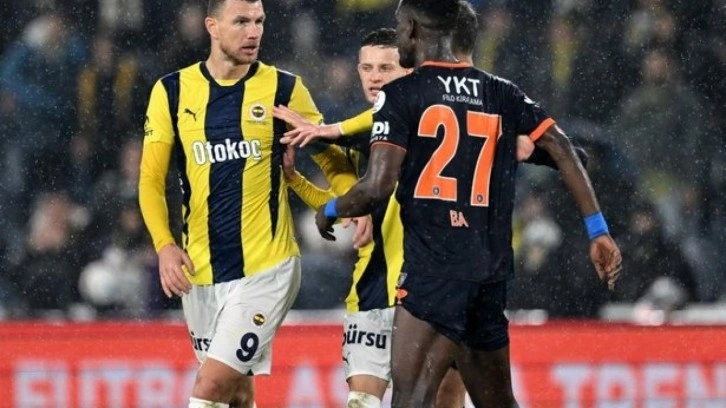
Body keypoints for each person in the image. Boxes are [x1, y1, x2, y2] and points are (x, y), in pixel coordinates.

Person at [312, 0, 622, 407]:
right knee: (498, 401)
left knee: (411, 399)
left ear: (414, 30)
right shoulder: (501, 92)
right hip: (488, 274)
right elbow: (566, 150)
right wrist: (598, 231)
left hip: (434, 270)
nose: (399, 34)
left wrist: (329, 210)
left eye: (401, 25)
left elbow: (377, 187)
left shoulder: (401, 94)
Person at [138, 1, 362, 407]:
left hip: (267, 268)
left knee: (208, 388)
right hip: (201, 272)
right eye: (241, 21)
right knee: (237, 392)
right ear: (212, 26)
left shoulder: (284, 88)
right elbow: (151, 180)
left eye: (259, 21)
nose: (253, 31)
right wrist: (164, 245)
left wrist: (353, 201)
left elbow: (330, 157)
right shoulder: (171, 91)